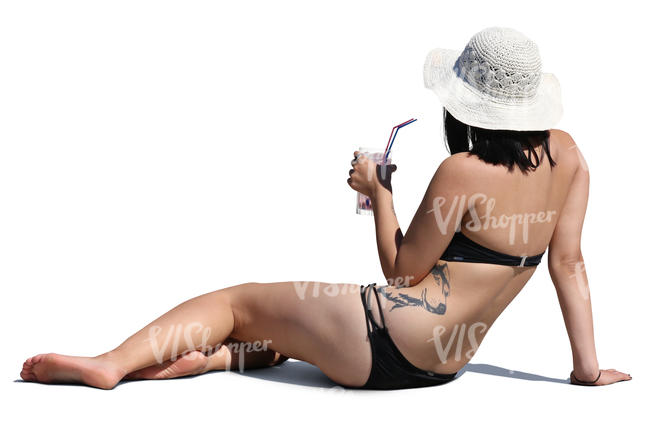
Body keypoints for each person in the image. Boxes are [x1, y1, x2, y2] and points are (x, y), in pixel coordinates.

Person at [20, 26, 630, 390]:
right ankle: (211, 361)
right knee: (287, 327)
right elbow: (568, 266)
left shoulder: (462, 171)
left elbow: (401, 274)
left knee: (241, 299)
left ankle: (109, 364)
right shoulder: (570, 156)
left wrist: (378, 190)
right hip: (444, 364)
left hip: (383, 336)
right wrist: (587, 370)